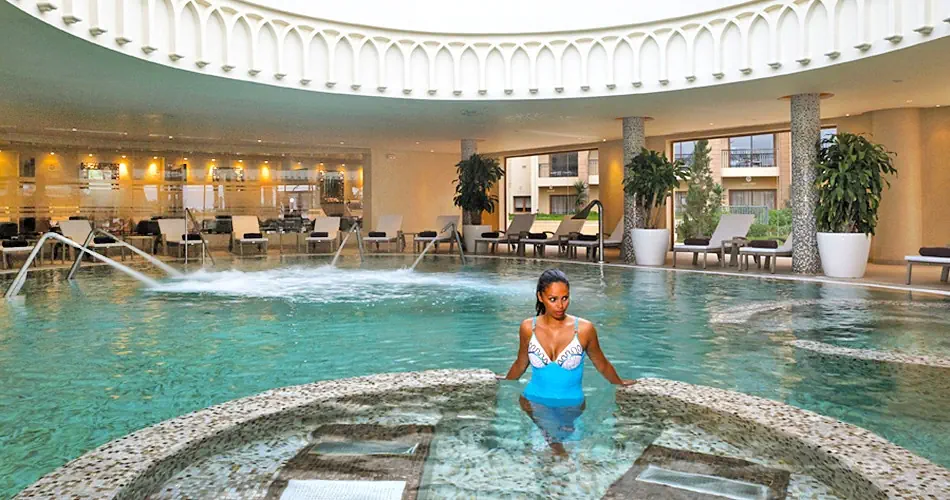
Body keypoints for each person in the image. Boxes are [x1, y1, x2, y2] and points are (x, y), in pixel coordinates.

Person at [500, 268, 634, 455]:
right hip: (534, 403)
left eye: (565, 298)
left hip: (571, 406)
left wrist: (619, 382)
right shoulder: (528, 327)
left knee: (566, 454)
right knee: (543, 458)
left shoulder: (584, 329)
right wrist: (505, 381)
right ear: (540, 297)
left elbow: (601, 363)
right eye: (553, 299)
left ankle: (554, 443)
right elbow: (521, 362)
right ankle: (553, 443)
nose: (560, 305)